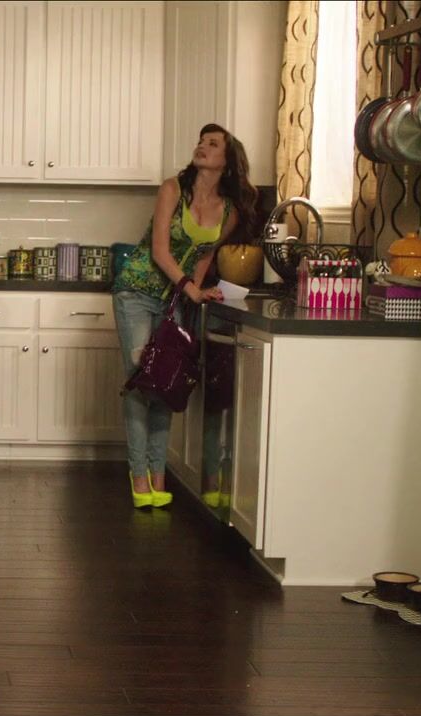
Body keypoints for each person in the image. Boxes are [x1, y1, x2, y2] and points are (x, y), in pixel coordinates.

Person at [110, 123, 257, 509]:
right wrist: (191, 289)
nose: (202, 147)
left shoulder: (229, 211)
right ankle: (138, 476)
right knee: (141, 380)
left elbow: (205, 257)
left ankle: (159, 475)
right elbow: (160, 250)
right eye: (201, 141)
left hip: (176, 299)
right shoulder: (173, 189)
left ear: (227, 162)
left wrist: (198, 292)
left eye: (213, 144)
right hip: (137, 291)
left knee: (167, 384)